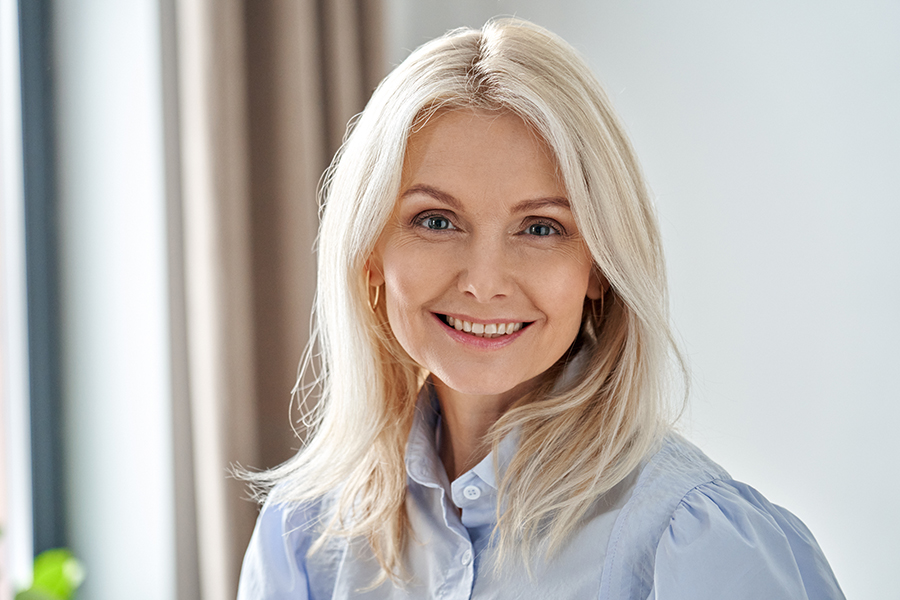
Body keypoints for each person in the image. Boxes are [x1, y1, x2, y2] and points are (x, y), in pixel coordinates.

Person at [237, 18, 844, 599]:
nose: (483, 282)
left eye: (541, 228)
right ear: (370, 254)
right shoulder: (302, 536)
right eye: (437, 220)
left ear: (600, 268)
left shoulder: (695, 546)